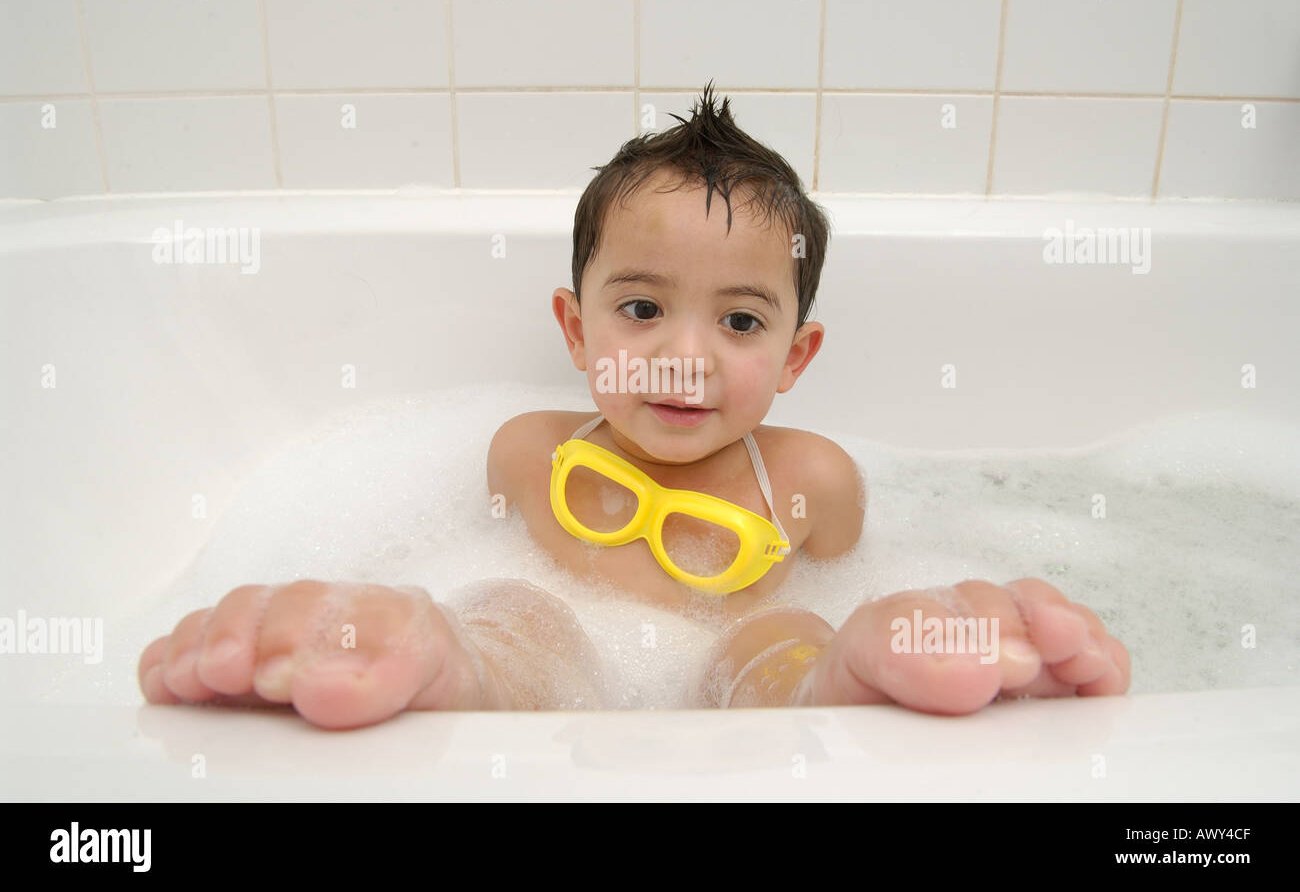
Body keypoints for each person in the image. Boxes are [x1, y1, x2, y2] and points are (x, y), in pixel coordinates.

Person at [139, 83, 1129, 729]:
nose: (683, 357)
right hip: (558, 682)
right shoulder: (526, 454)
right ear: (577, 333)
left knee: (771, 643)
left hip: (741, 677)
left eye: (740, 324)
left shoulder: (810, 482)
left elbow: (832, 568)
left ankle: (853, 673)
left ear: (796, 357)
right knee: (518, 614)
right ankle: (444, 658)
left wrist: (825, 639)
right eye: (643, 309)